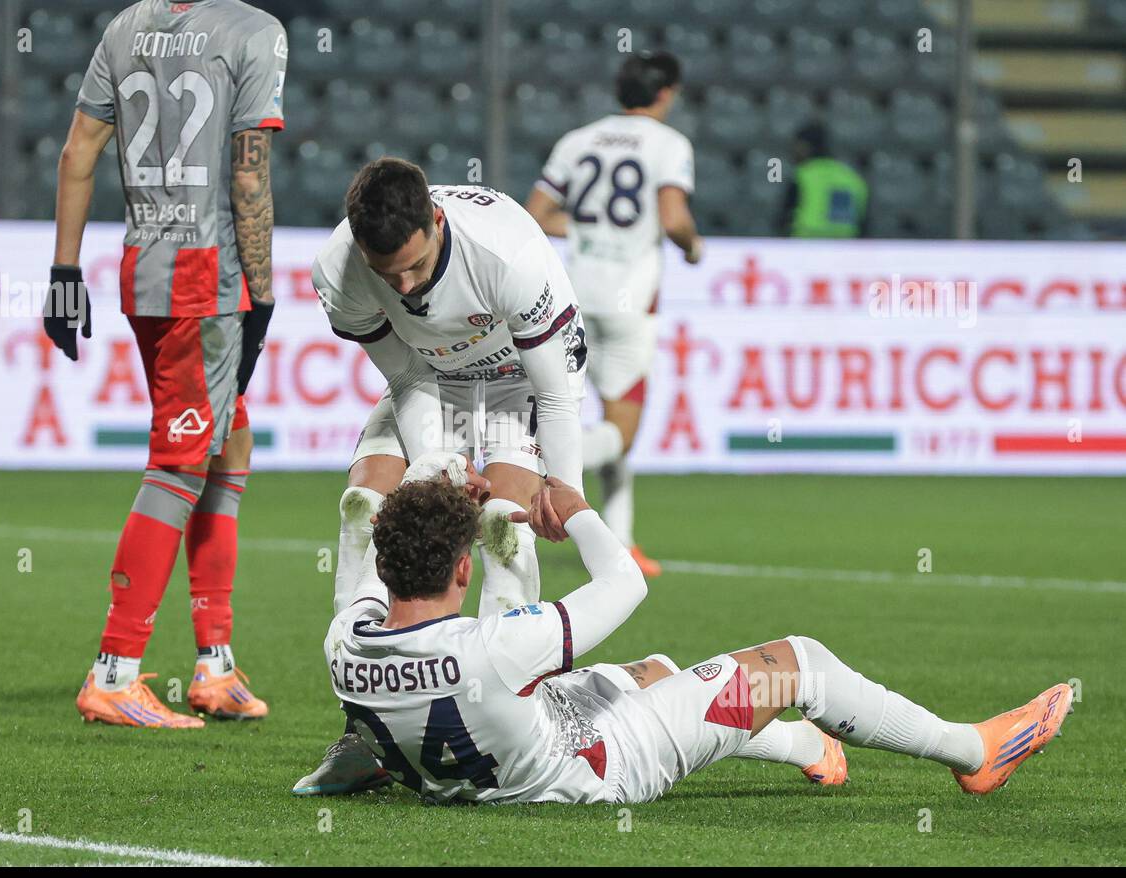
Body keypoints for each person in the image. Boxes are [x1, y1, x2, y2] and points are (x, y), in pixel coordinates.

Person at [316, 452, 1071, 804]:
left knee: (654, 670)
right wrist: (571, 504)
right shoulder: (497, 646)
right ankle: (971, 751)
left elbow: (358, 562)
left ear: (386, 568)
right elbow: (625, 581)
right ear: (461, 572)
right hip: (593, 769)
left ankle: (809, 745)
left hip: (507, 745)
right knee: (794, 662)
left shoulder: (347, 645)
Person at [294, 159, 586, 794]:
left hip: (519, 380)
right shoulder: (340, 269)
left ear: (437, 220)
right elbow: (405, 379)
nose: (404, 286)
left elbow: (557, 396)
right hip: (427, 379)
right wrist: (439, 468)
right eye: (386, 273)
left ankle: (519, 716)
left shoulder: (506, 255)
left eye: (417, 267)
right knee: (361, 506)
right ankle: (365, 732)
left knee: (503, 522)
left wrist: (564, 489)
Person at [44, 0, 286, 727]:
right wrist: (264, 292)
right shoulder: (254, 29)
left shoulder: (124, 26)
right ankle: (114, 670)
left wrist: (63, 273)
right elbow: (249, 176)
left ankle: (213, 664)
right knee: (182, 461)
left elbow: (78, 149)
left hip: (142, 266)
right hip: (205, 279)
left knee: (228, 437)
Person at [526, 51, 702, 577]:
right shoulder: (669, 145)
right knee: (622, 431)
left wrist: (585, 232)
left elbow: (536, 214)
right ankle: (540, 466)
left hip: (574, 296)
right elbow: (673, 219)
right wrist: (694, 247)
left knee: (595, 411)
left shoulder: (578, 140)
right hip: (630, 300)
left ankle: (620, 542)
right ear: (666, 92)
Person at [779, 121, 869, 238]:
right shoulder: (853, 178)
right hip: (845, 248)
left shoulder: (802, 175)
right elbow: (863, 223)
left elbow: (783, 219)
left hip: (807, 245)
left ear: (806, 147)